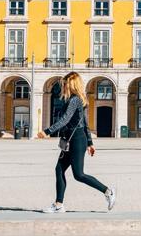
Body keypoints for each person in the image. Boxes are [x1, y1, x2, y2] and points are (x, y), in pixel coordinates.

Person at [36, 72, 116, 213]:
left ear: (71, 84)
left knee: (79, 174)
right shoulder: (78, 99)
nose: (63, 87)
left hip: (77, 139)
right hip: (71, 138)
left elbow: (66, 119)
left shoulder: (74, 100)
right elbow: (84, 122)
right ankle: (59, 204)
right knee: (59, 169)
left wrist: (47, 131)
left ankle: (108, 192)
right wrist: (90, 143)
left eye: (65, 84)